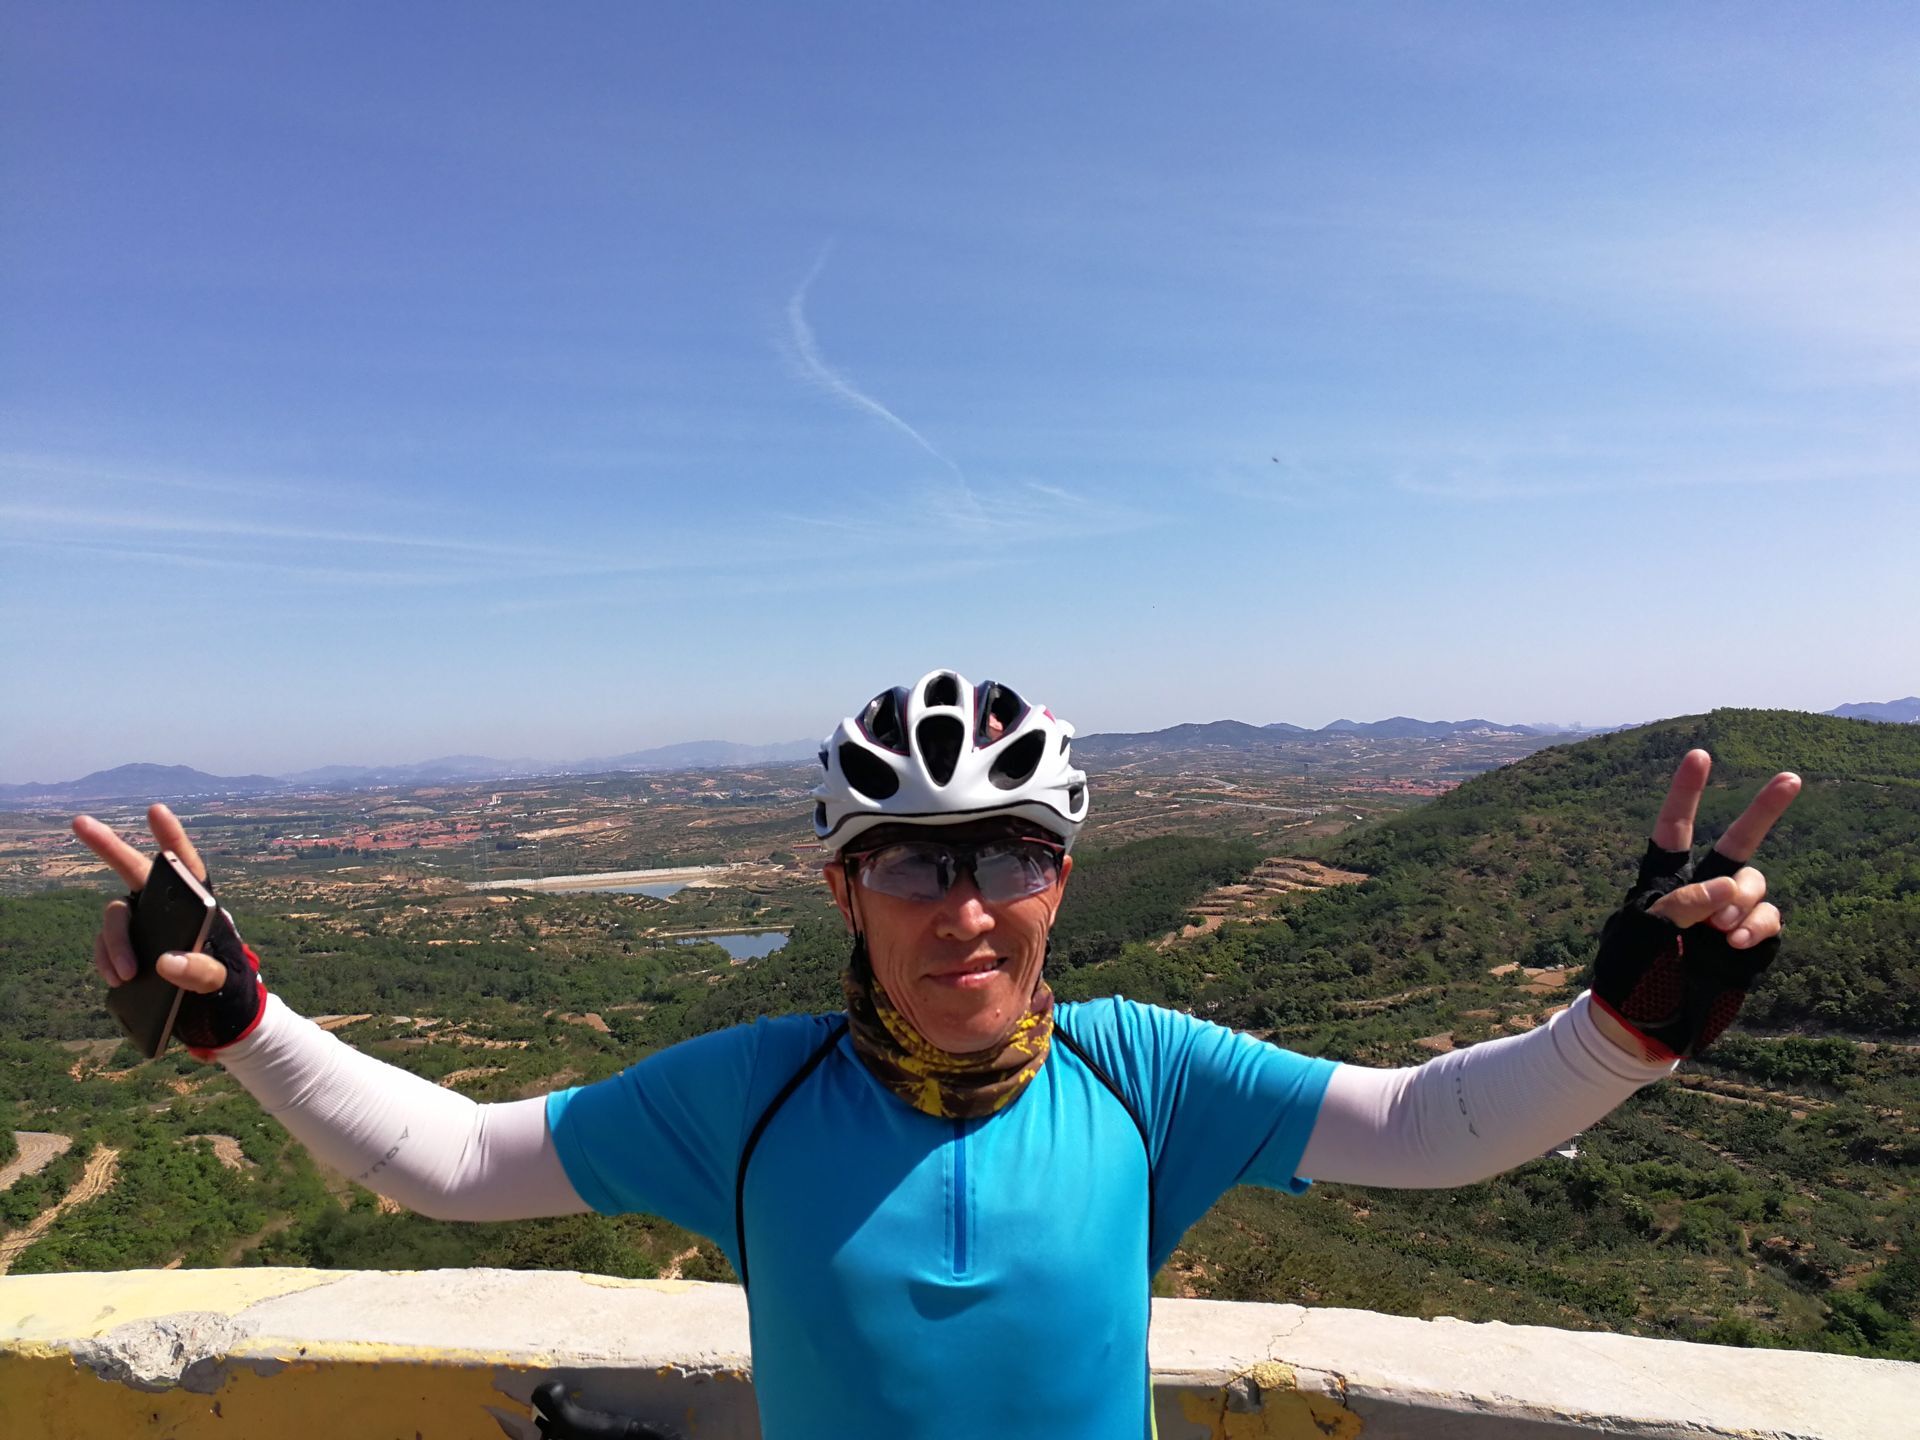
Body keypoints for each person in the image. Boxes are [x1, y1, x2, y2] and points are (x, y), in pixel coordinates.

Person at [75, 670, 1797, 1440]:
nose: (964, 909)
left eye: (1009, 857)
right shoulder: (748, 1097)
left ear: (1062, 879)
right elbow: (456, 1165)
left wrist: (1623, 1034)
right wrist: (248, 1026)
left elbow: (1422, 1127)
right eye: (911, 862)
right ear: (843, 889)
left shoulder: (1145, 1076)